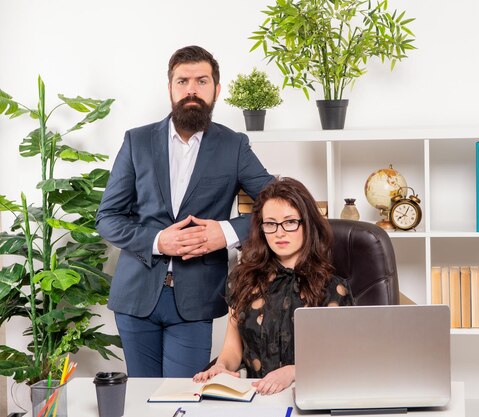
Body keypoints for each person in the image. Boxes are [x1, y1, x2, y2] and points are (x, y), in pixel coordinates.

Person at [96, 45, 274, 377]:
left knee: (184, 398)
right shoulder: (137, 141)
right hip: (136, 296)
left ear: (216, 89)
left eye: (201, 81)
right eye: (182, 81)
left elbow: (279, 205)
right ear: (170, 89)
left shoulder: (234, 145)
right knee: (142, 399)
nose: (191, 90)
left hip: (196, 299)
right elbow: (107, 218)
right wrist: (157, 241)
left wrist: (225, 232)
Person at [193, 177, 354, 395]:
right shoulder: (242, 280)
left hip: (311, 396)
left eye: (289, 222)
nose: (279, 232)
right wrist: (221, 367)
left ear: (307, 223)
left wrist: (294, 371)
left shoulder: (333, 289)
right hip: (257, 399)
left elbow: (342, 358)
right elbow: (232, 349)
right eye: (270, 223)